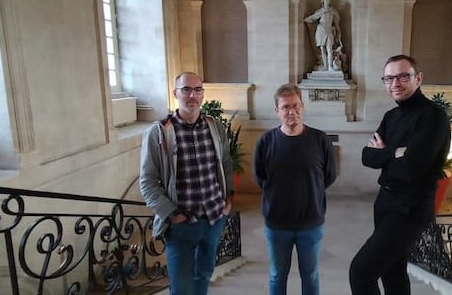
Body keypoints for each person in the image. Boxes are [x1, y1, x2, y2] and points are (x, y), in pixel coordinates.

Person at [349, 55, 451, 295]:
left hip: (410, 208)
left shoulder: (433, 117)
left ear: (418, 79)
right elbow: (366, 156)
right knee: (393, 273)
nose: (395, 83)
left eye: (403, 76)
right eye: (389, 78)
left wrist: (386, 154)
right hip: (384, 203)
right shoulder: (391, 117)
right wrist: (396, 153)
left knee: (361, 272)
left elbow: (411, 168)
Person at [139, 72, 234, 295]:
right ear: (175, 93)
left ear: (202, 94)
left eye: (197, 90)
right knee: (181, 288)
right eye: (186, 90)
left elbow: (227, 164)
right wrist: (172, 215)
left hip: (213, 218)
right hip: (181, 225)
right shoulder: (159, 133)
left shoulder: (215, 127)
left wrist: (228, 201)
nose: (192, 95)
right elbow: (148, 182)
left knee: (203, 275)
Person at [253, 83, 337, 295]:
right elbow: (260, 177)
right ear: (277, 111)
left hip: (310, 223)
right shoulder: (265, 141)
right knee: (277, 275)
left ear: (303, 107)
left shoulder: (320, 140)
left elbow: (329, 176)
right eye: (286, 107)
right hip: (277, 223)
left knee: (309, 275)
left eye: (296, 106)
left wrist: (309, 191)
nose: (292, 111)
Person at [304, 0, 342, 71]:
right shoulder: (320, 12)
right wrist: (309, 21)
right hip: (321, 31)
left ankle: (330, 66)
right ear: (323, 2)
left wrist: (339, 32)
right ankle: (325, 66)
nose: (327, 1)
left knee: (329, 49)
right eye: (326, 0)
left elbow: (336, 24)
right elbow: (311, 18)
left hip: (329, 31)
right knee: (322, 49)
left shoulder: (333, 11)